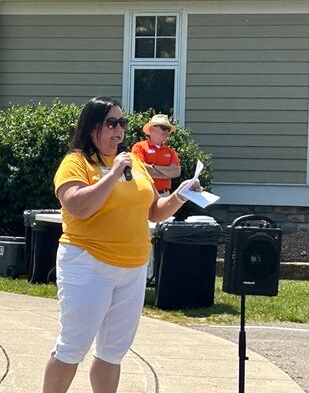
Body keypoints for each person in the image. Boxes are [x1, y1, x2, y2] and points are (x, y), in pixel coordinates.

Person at [42, 97, 198, 393]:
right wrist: (113, 174)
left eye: (122, 123)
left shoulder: (133, 161)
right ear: (91, 128)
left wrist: (180, 194)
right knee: (73, 346)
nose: (119, 130)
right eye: (111, 123)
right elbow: (77, 206)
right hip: (88, 263)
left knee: (113, 351)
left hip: (133, 266)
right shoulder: (76, 163)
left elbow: (154, 210)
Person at [131, 114, 181, 196]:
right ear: (152, 129)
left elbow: (176, 172)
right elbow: (141, 169)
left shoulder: (171, 152)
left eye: (168, 129)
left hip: (164, 194)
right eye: (163, 128)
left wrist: (154, 167)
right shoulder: (139, 147)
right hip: (145, 194)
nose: (167, 131)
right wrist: (167, 173)